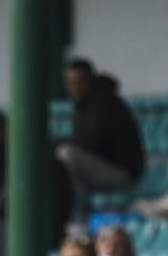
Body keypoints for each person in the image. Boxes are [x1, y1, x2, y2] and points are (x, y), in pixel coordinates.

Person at [55, 58, 145, 200]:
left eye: (81, 81)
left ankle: (76, 207)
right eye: (71, 83)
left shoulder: (105, 102)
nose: (76, 87)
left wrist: (53, 145)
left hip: (121, 174)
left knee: (66, 154)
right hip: (98, 170)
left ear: (92, 80)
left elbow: (90, 143)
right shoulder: (81, 105)